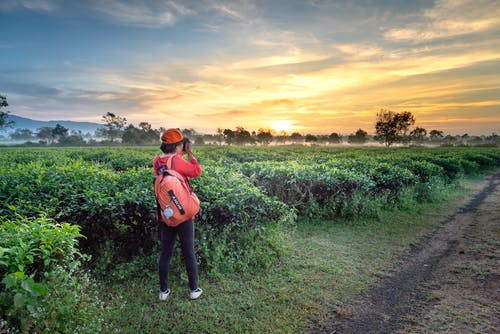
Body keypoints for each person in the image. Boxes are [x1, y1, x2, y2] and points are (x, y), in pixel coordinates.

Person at [153, 128, 203, 301]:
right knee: (188, 251)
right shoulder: (177, 160)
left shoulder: (157, 161)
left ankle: (164, 292)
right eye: (182, 144)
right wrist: (190, 153)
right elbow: (197, 172)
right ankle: (194, 289)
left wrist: (180, 154)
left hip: (165, 215)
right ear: (177, 146)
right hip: (183, 215)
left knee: (165, 253)